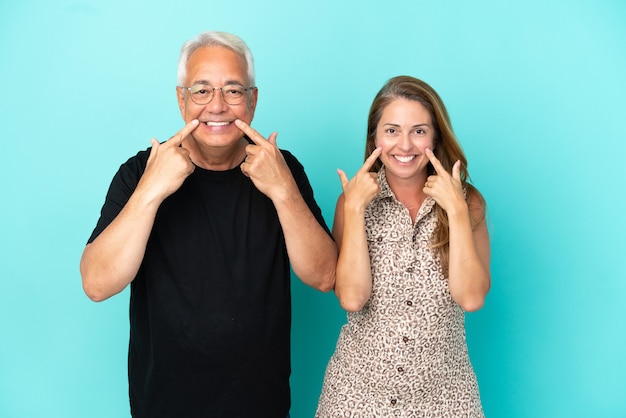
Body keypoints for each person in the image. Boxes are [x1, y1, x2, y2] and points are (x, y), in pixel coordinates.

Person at [80, 31, 337, 418]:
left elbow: (325, 276)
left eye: (233, 91)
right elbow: (97, 284)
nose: (217, 106)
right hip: (162, 406)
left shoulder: (283, 169)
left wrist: (283, 191)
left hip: (260, 406)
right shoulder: (139, 173)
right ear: (181, 99)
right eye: (201, 91)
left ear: (252, 100)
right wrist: (151, 191)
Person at [315, 76, 491, 417]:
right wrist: (353, 209)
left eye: (419, 131)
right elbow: (351, 298)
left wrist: (454, 210)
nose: (405, 145)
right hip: (356, 397)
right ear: (375, 138)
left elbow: (471, 298)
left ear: (436, 136)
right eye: (392, 131)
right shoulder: (352, 202)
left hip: (446, 398)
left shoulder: (468, 203)